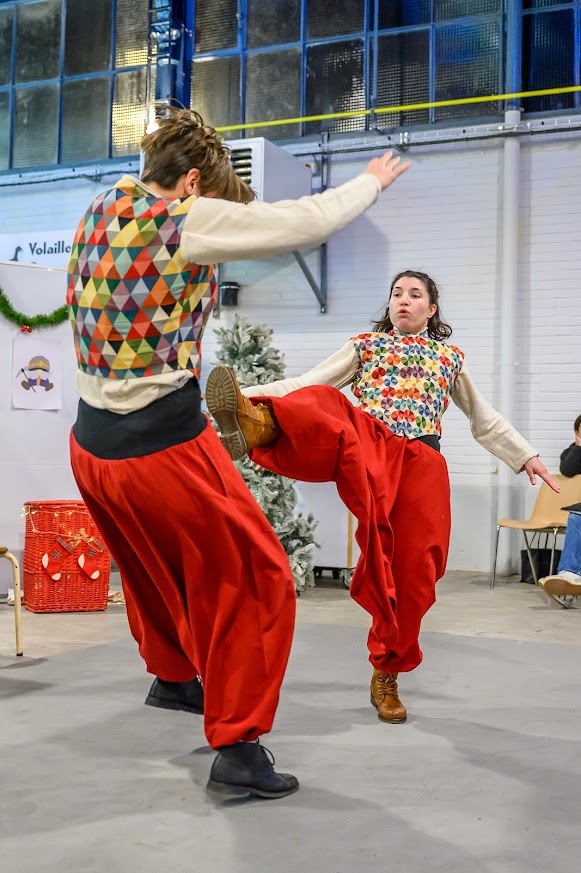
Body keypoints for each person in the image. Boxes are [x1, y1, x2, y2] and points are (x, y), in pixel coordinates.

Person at [66, 105, 410, 799]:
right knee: (259, 579)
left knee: (154, 562)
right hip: (159, 442)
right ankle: (239, 748)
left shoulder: (103, 201)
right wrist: (370, 182)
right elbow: (305, 222)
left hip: (91, 448)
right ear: (191, 181)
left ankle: (173, 676)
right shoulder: (184, 216)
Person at [206, 270, 558, 725]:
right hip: (369, 447)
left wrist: (525, 455)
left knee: (416, 572)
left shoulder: (449, 357)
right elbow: (307, 384)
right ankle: (256, 422)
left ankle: (386, 671)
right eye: (397, 294)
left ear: (431, 310)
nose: (403, 301)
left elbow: (483, 419)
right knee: (327, 406)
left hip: (422, 465)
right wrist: (246, 396)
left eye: (415, 295)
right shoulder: (365, 347)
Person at [539, 416, 581, 598]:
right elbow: (568, 469)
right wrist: (579, 445)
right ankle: (570, 574)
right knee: (575, 517)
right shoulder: (572, 452)